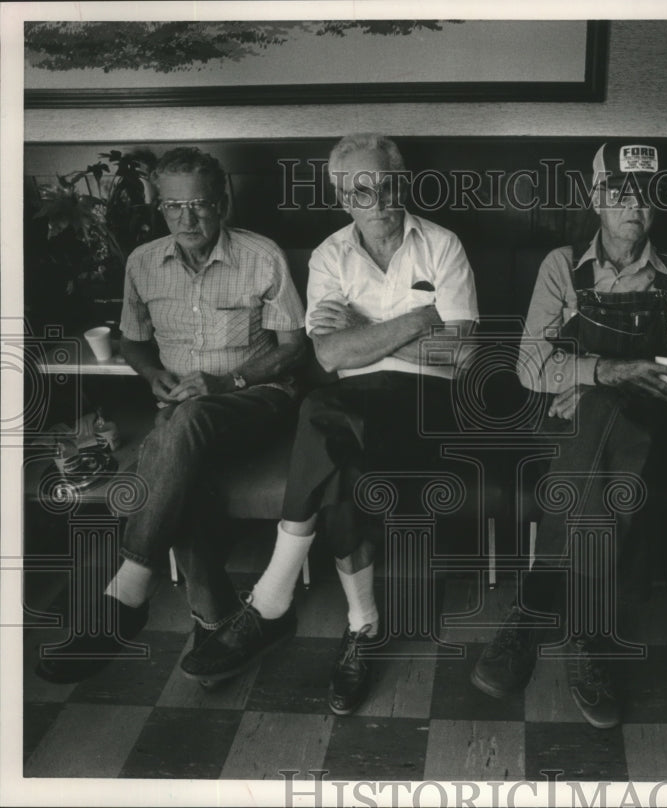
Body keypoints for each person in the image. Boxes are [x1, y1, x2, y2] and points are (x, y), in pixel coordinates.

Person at [180, 134, 479, 715]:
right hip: (353, 415)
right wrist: (421, 320)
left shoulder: (442, 246)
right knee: (339, 452)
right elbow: (328, 357)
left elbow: (462, 354)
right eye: (363, 188)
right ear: (344, 196)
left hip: (428, 411)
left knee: (323, 414)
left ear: (404, 182)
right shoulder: (329, 256)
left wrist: (363, 333)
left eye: (388, 182)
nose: (379, 198)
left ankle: (271, 597)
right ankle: (363, 627)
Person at [36, 146, 307, 683]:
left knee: (181, 428)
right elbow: (133, 343)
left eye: (201, 204)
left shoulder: (262, 255)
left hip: (257, 398)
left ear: (222, 202)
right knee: (183, 460)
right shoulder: (142, 263)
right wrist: (150, 374)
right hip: (180, 409)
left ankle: (129, 587)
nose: (188, 218)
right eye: (174, 206)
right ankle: (216, 621)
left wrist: (230, 380)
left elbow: (294, 346)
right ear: (159, 207)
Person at [470, 141, 667, 728]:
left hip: (647, 424)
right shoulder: (561, 266)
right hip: (564, 427)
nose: (634, 205)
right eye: (620, 192)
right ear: (597, 199)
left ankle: (533, 609)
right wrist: (611, 371)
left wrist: (597, 380)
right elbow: (529, 367)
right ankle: (589, 635)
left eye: (647, 193)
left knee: (612, 414)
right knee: (609, 465)